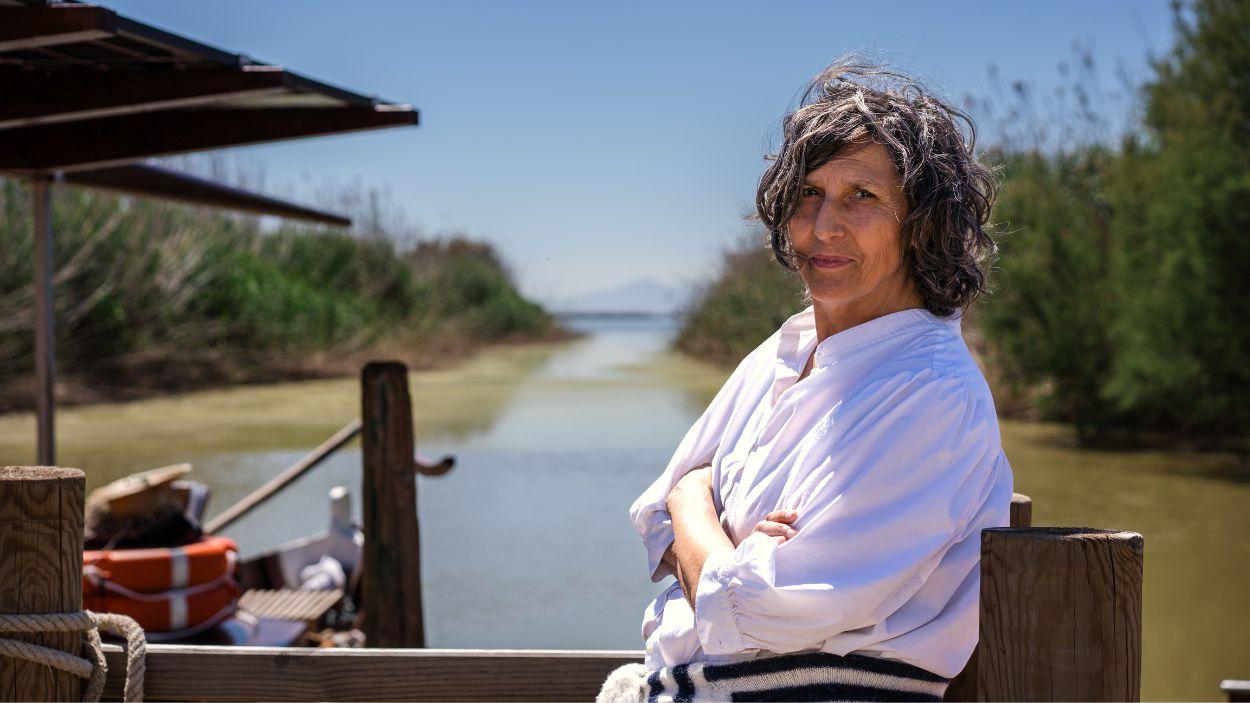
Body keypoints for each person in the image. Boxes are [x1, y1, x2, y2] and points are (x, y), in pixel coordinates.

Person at [600, 57, 1014, 703]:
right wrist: (712, 539)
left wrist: (695, 503)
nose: (823, 226)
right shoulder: (782, 350)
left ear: (924, 221)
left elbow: (755, 612)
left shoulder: (932, 390)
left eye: (863, 196)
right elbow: (652, 521)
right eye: (807, 194)